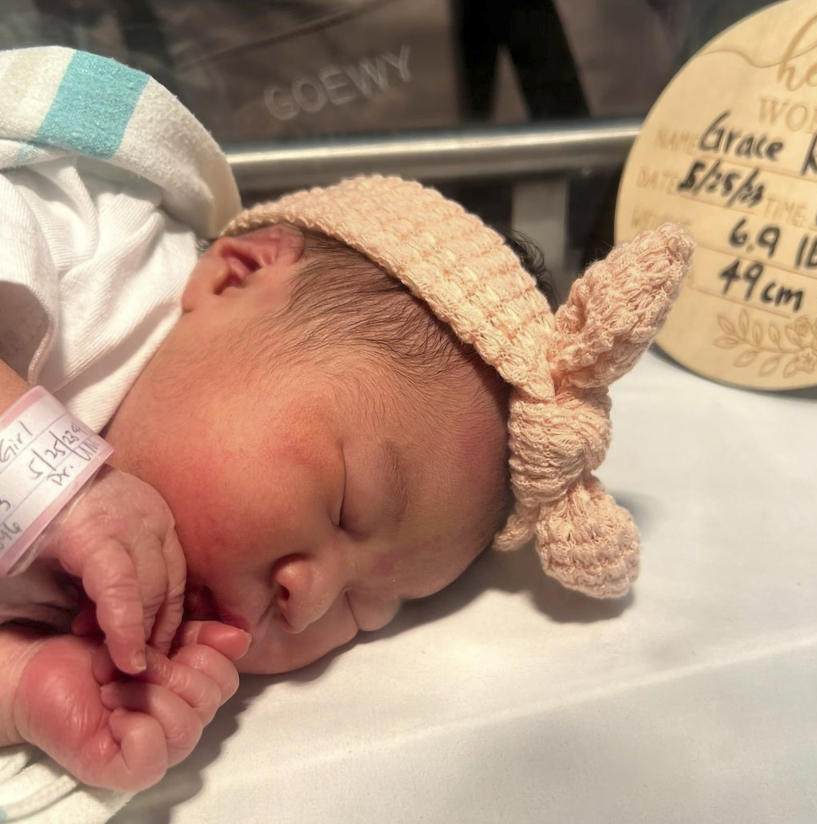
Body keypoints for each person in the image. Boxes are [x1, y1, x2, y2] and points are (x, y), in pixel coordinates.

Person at [0, 48, 692, 808]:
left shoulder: (92, 625)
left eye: (369, 609)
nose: (313, 597)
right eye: (344, 504)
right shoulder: (97, 258)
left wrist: (28, 689)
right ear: (238, 277)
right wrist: (61, 487)